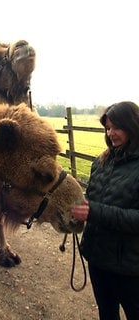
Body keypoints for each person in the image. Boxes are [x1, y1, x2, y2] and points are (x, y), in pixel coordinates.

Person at [72, 101, 139, 320]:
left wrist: (94, 212)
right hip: (98, 258)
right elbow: (91, 199)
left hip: (129, 266)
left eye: (116, 128)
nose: (110, 134)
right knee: (107, 313)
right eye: (108, 128)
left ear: (132, 126)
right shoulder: (101, 162)